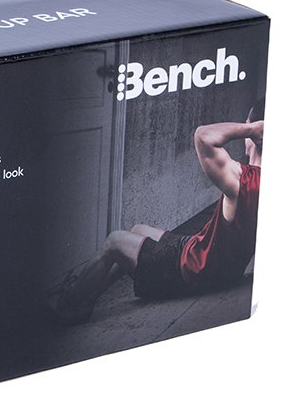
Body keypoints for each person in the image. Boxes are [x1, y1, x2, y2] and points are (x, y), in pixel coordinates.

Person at [47, 99, 264, 324]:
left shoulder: (244, 180)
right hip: (209, 259)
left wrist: (251, 128)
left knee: (114, 241)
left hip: (193, 272)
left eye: (247, 125)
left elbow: (203, 136)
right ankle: (89, 296)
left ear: (257, 134)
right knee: (137, 230)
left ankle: (71, 304)